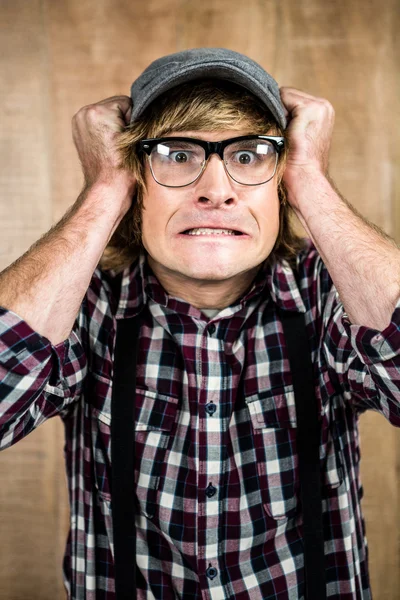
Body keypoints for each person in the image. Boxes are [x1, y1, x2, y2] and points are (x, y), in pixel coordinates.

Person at [0, 47, 399, 600]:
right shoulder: (83, 305)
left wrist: (312, 183)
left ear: (281, 179)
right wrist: (103, 190)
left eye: (251, 155)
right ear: (135, 179)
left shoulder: (329, 295)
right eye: (176, 155)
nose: (215, 189)